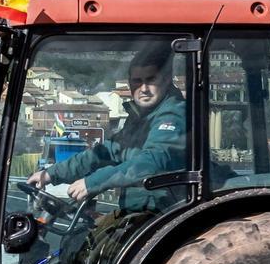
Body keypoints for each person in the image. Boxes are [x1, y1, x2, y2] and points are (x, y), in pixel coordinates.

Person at [26, 46, 186, 212]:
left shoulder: (173, 114)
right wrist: (51, 174)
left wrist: (93, 183)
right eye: (137, 81)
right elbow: (106, 151)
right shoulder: (142, 118)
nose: (144, 88)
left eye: (151, 80)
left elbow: (153, 160)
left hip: (165, 210)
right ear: (130, 84)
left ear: (166, 80)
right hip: (145, 208)